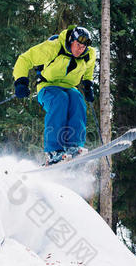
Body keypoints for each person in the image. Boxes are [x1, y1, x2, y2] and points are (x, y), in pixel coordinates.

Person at [13, 25, 96, 165]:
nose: (80, 50)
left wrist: (88, 85)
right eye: (78, 45)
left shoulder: (89, 54)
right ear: (71, 40)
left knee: (77, 99)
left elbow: (89, 69)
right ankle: (53, 150)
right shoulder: (53, 47)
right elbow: (25, 59)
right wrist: (21, 82)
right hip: (48, 86)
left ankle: (73, 146)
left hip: (69, 87)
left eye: (83, 47)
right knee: (60, 99)